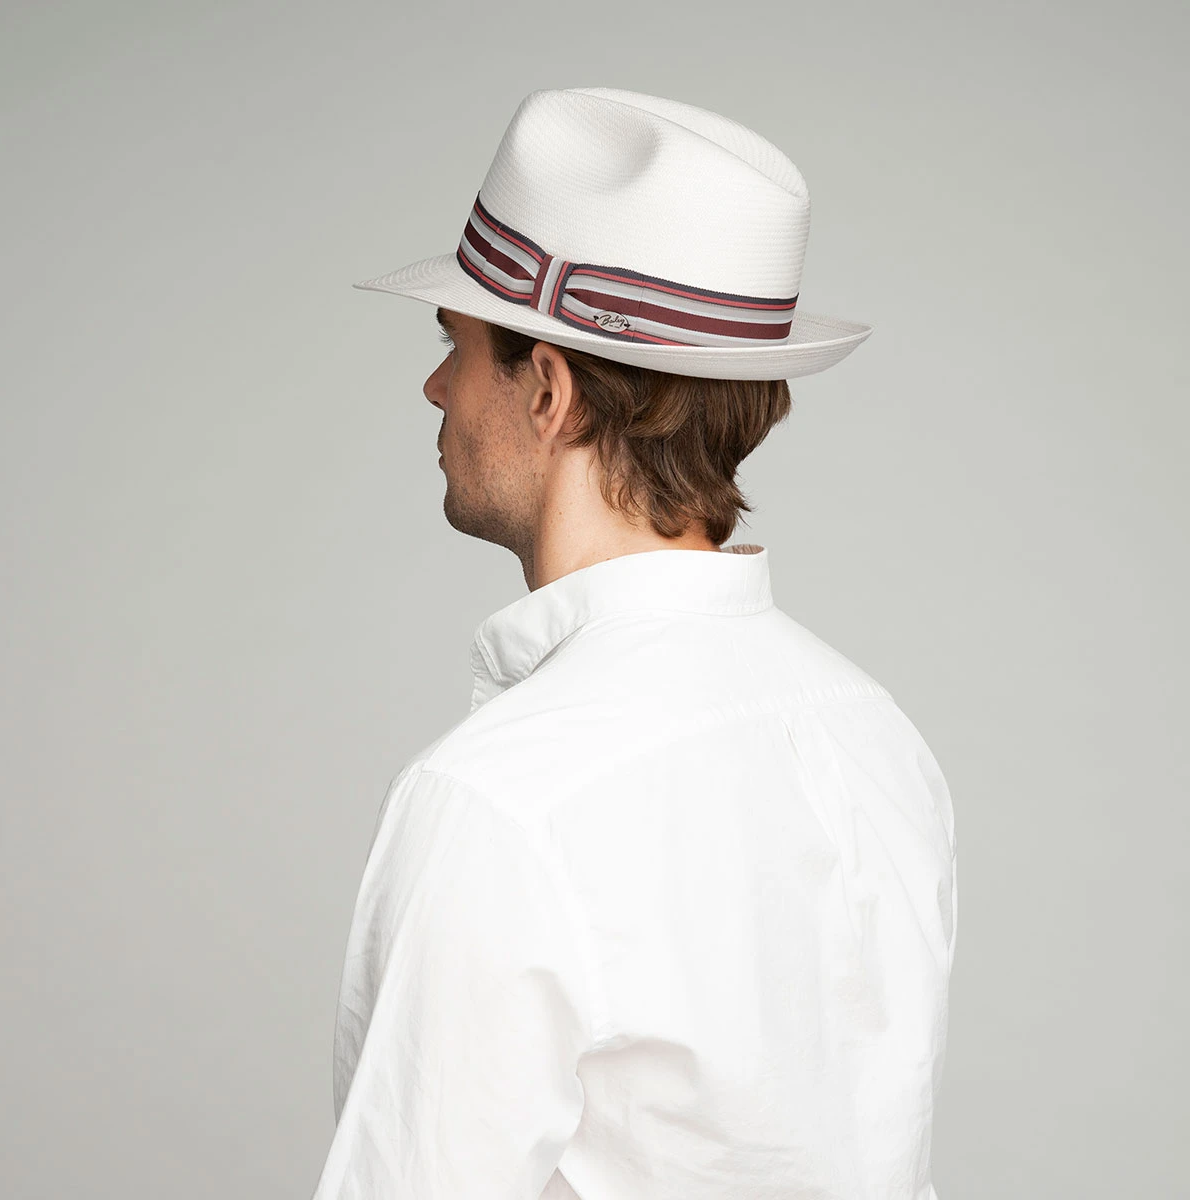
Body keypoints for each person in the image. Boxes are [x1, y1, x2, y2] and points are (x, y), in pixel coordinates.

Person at [310, 87, 958, 1199]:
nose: (434, 386)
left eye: (458, 345)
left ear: (548, 391)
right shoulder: (875, 740)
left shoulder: (497, 798)